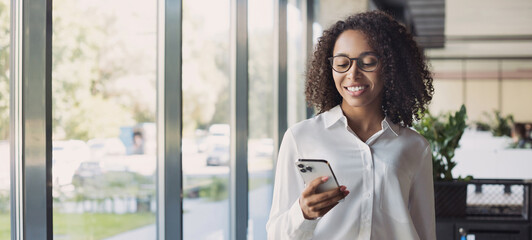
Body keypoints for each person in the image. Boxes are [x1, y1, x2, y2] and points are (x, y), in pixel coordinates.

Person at [266, 11, 435, 239]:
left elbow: (425, 231)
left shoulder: (415, 147)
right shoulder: (301, 137)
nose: (353, 74)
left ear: (391, 66)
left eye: (367, 62)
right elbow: (275, 234)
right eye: (342, 63)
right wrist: (303, 213)